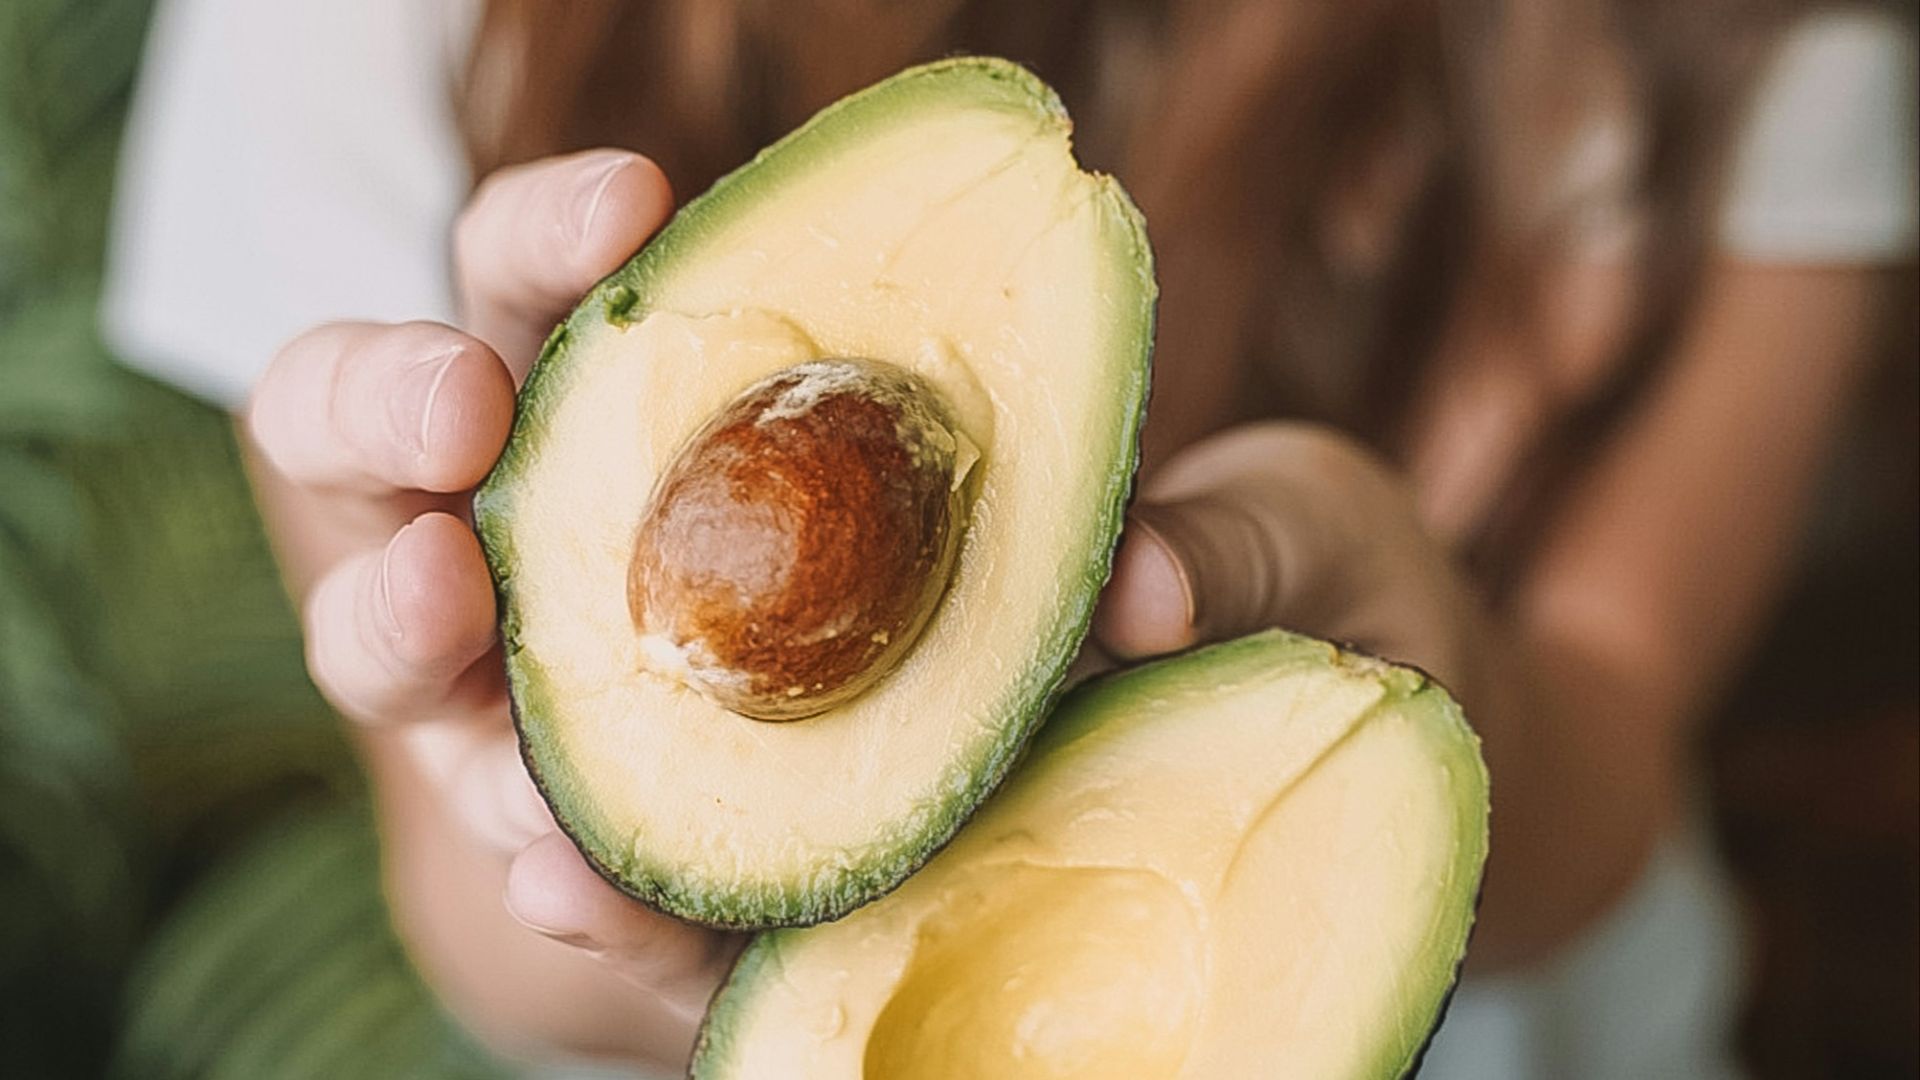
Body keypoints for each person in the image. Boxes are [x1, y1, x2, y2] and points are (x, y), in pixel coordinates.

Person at [104, 0, 1915, 1075]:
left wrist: (1448, 693)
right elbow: (477, 915)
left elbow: (1616, 723)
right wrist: (545, 832)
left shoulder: (1763, 46)